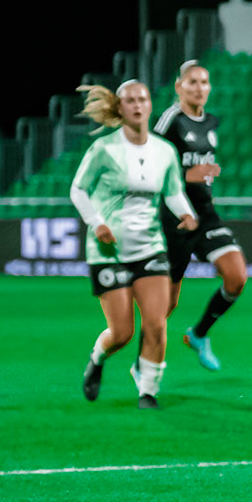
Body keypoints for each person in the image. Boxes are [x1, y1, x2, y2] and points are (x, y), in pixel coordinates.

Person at [70, 80, 197, 409]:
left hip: (150, 247)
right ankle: (98, 358)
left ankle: (148, 391)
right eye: (130, 100)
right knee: (123, 332)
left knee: (156, 322)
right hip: (109, 252)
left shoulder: (164, 151)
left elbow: (173, 192)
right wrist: (96, 223)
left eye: (143, 99)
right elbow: (78, 190)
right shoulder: (104, 149)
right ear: (121, 108)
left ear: (150, 105)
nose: (138, 105)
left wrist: (186, 214)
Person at [155, 60, 249, 370]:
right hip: (175, 218)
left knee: (236, 277)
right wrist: (187, 175)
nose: (199, 88)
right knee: (165, 306)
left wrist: (202, 175)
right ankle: (146, 369)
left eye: (204, 82)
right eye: (192, 82)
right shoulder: (170, 120)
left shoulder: (211, 124)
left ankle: (198, 334)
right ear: (179, 87)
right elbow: (151, 166)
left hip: (206, 215)